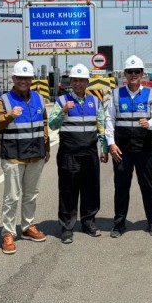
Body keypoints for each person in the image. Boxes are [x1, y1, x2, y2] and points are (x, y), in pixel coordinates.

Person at [0, 60, 50, 255]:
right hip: (13, 155)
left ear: (31, 79)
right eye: (20, 78)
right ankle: (8, 233)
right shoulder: (4, 100)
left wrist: (46, 147)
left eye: (27, 78)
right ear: (13, 79)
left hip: (35, 154)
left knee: (31, 194)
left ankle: (27, 226)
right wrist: (9, 116)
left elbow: (44, 125)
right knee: (12, 197)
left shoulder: (39, 99)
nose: (23, 81)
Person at [48, 63, 109, 244]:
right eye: (75, 80)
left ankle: (89, 222)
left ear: (87, 82)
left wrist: (104, 149)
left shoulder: (95, 101)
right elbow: (52, 124)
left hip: (89, 152)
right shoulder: (61, 101)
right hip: (69, 153)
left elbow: (101, 127)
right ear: (70, 82)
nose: (78, 84)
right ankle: (67, 227)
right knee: (68, 190)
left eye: (82, 81)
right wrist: (64, 111)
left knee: (91, 188)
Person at [105, 55, 152, 238]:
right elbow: (109, 120)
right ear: (125, 74)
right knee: (121, 187)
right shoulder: (116, 94)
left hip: (144, 147)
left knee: (148, 186)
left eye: (137, 71)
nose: (133, 75)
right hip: (121, 149)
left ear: (142, 73)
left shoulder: (151, 94)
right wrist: (111, 144)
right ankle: (119, 224)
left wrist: (151, 123)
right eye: (130, 71)